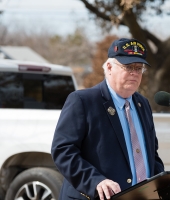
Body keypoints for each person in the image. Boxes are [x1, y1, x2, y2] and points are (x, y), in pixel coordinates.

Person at [51, 38, 164, 200]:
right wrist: (95, 181)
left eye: (139, 68)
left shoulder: (142, 104)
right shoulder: (84, 101)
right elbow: (63, 151)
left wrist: (164, 184)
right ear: (109, 67)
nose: (134, 73)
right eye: (128, 67)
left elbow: (151, 155)